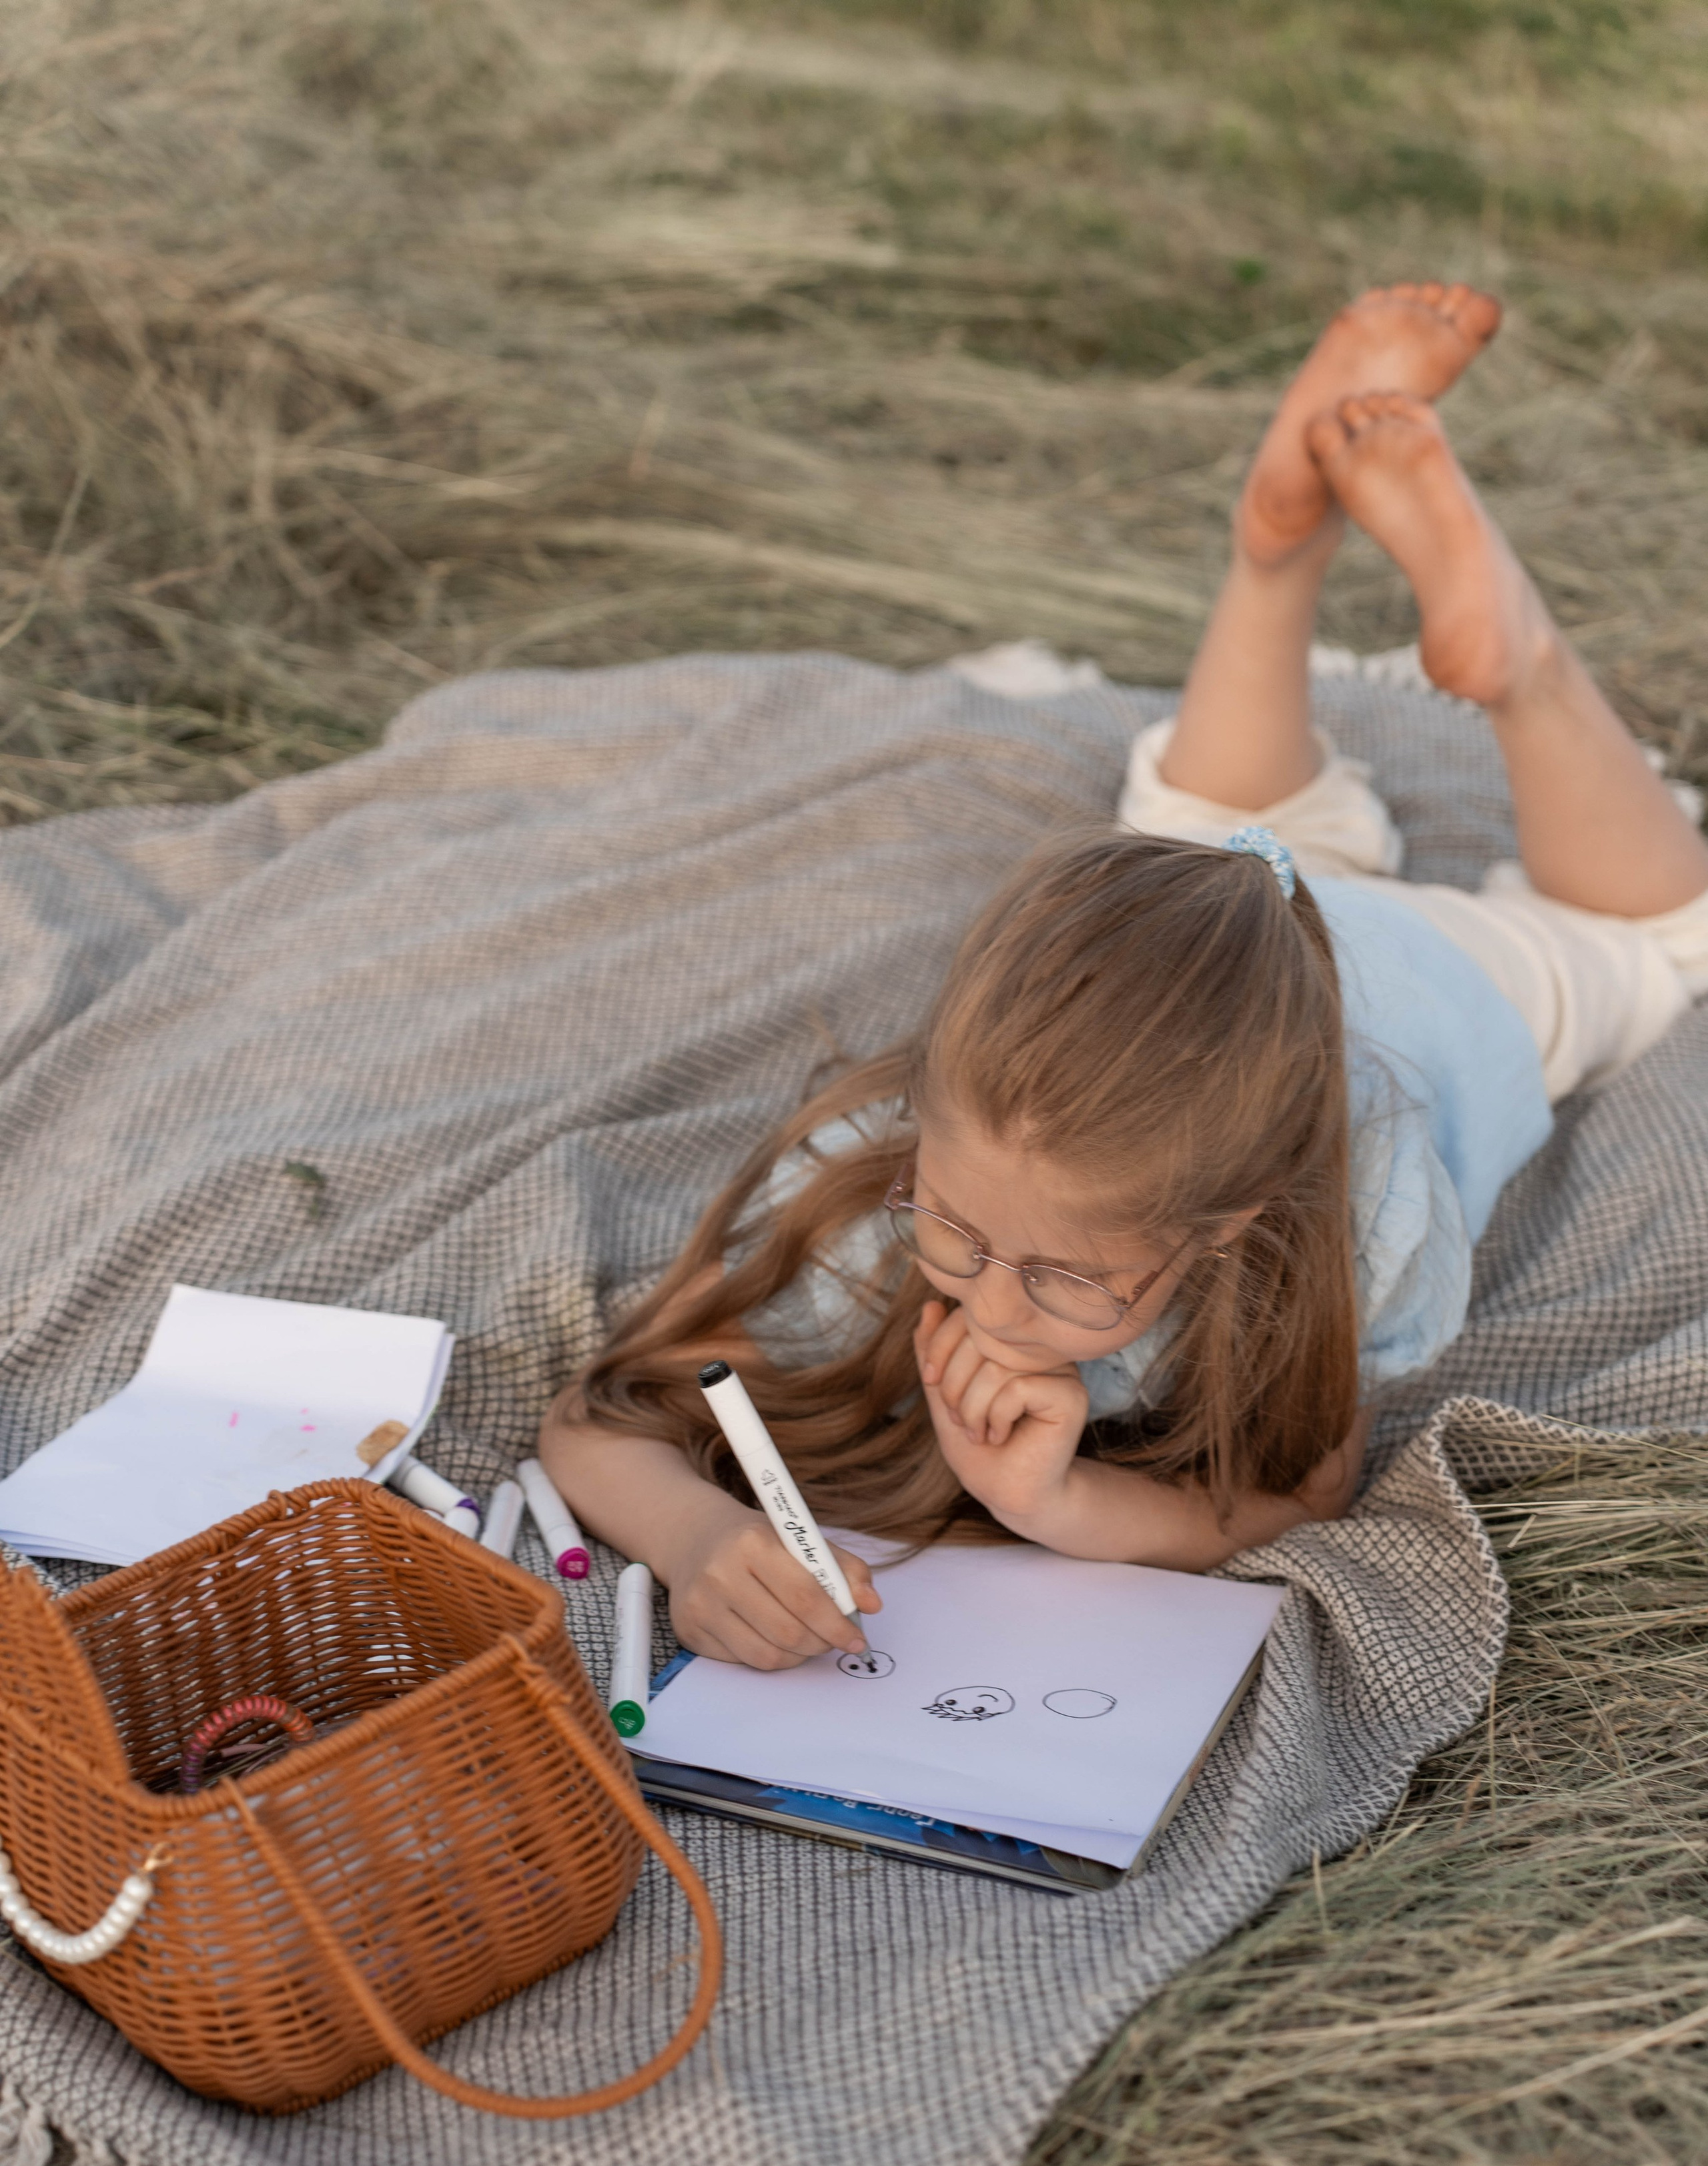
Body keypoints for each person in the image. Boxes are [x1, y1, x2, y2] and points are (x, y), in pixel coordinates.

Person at [539, 284, 1708, 1672]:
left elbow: (1305, 1488)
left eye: (1064, 1280)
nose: (986, 1307)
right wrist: (688, 1539)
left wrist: (1054, 1500)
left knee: (1660, 939)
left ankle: (1512, 660)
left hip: (1430, 975)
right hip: (1195, 923)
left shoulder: (1353, 1220)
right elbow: (599, 1421)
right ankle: (1275, 540)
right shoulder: (882, 1190)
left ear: (1229, 1227)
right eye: (960, 1237)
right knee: (1196, 837)